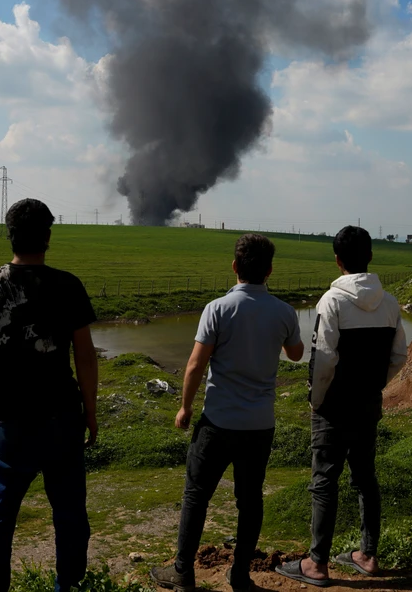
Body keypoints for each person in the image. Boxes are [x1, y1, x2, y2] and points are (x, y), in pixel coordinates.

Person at [0, 198, 99, 592]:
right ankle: (68, 587)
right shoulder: (68, 285)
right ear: (48, 238)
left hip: (6, 421)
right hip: (61, 419)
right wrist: (90, 411)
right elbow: (86, 357)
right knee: (69, 516)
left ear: (10, 235)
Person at [151, 233, 305, 592]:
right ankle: (239, 575)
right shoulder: (283, 312)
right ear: (269, 270)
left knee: (196, 495)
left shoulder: (217, 309)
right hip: (259, 425)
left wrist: (185, 407)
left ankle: (183, 572)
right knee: (250, 502)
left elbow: (194, 366)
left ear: (234, 266)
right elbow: (296, 354)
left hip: (217, 422)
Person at [274, 226, 407, 587]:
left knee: (324, 482)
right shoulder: (391, 303)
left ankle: (316, 564)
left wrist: (317, 400)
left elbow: (323, 360)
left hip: (333, 407)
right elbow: (399, 356)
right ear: (371, 257)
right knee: (366, 479)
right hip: (367, 404)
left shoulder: (332, 302)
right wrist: (376, 385)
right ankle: (367, 554)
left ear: (337, 260)